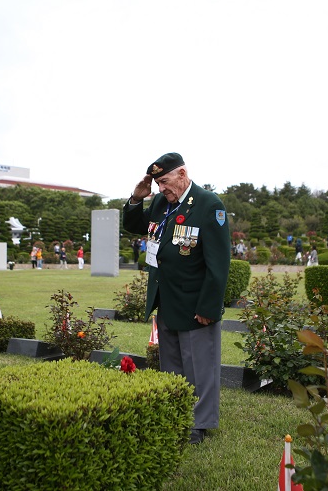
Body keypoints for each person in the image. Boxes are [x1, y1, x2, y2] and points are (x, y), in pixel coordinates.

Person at [122, 152, 230, 446]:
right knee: (172, 362)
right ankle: (177, 412)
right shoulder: (159, 202)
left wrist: (209, 306)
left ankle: (199, 423)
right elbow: (133, 226)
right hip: (166, 297)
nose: (161, 189)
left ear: (182, 174)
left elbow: (219, 264)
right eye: (157, 184)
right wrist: (136, 198)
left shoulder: (209, 205)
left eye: (165, 181)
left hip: (195, 301)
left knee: (199, 364)